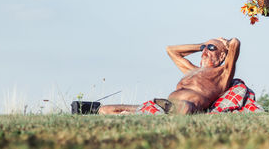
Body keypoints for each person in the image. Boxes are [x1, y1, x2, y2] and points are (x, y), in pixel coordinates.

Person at [98, 37, 240, 115]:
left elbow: (235, 43)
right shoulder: (191, 70)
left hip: (185, 107)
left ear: (222, 55)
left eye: (211, 48)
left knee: (183, 107)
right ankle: (149, 114)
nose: (204, 52)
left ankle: (153, 117)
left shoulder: (223, 73)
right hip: (164, 106)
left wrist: (226, 43)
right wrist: (202, 45)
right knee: (105, 110)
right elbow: (171, 50)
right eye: (204, 49)